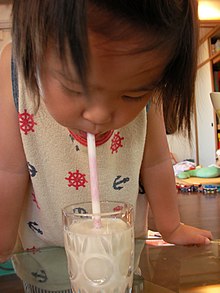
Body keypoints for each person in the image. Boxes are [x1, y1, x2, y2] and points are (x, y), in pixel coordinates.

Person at [0, 0, 213, 290]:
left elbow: (157, 162)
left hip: (120, 263)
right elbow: (9, 170)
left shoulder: (148, 76)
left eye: (130, 96)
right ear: (33, 53)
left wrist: (171, 226)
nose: (99, 115)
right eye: (74, 88)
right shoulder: (16, 73)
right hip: (45, 268)